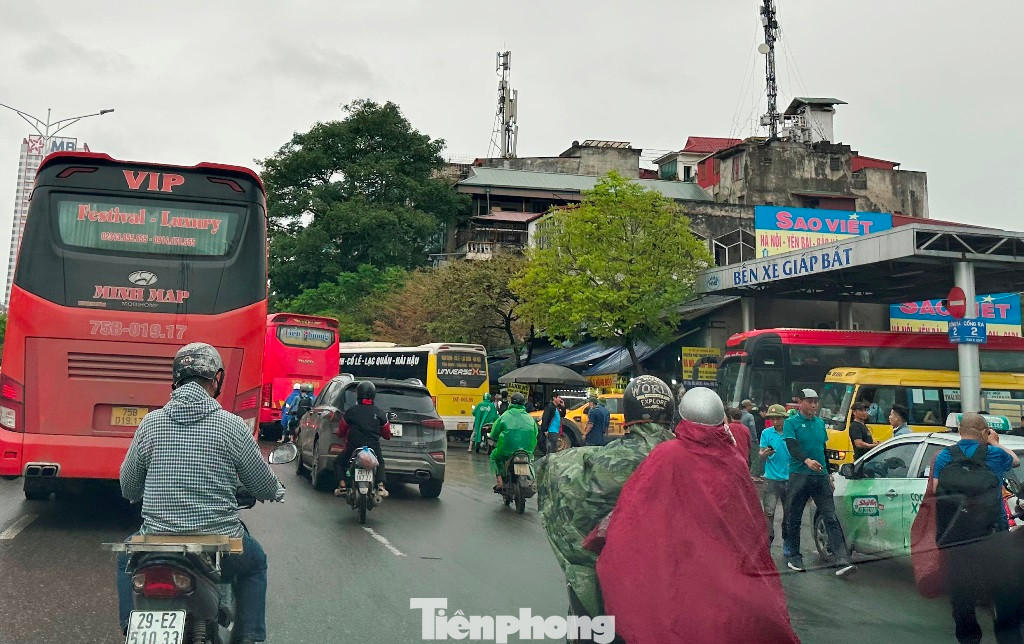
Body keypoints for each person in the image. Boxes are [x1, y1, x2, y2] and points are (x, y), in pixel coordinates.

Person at [595, 388, 799, 643]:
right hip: (727, 566)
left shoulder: (666, 455)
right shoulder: (734, 459)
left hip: (683, 561)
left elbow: (634, 514)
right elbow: (750, 523)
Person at [117, 343, 285, 644]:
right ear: (216, 379)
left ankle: (132, 629)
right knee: (255, 563)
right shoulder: (231, 426)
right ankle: (248, 637)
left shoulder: (150, 424)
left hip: (157, 542)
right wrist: (276, 490)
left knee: (124, 559)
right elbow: (262, 485)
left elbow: (128, 487)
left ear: (176, 378)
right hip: (220, 544)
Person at [536, 375, 677, 619]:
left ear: (627, 415)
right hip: (674, 578)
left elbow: (565, 484)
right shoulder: (693, 456)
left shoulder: (602, 461)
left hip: (615, 577)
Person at [932, 413, 1023, 644]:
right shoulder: (994, 454)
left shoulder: (944, 456)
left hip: (958, 537)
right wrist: (994, 442)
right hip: (994, 534)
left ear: (960, 430)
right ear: (984, 432)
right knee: (1004, 593)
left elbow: (934, 488)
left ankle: (969, 639)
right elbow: (1015, 461)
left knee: (962, 597)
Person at [782, 388, 855, 576]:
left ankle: (842, 559)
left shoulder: (820, 423)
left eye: (815, 401)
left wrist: (829, 473)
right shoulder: (791, 423)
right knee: (794, 517)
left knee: (830, 516)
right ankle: (795, 557)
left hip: (820, 476)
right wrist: (806, 460)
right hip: (799, 475)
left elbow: (823, 448)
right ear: (800, 402)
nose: (813, 405)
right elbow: (792, 446)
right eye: (809, 401)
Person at [333, 381, 391, 497]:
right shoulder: (379, 413)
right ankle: (380, 486)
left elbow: (342, 430)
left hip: (353, 447)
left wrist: (339, 434)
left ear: (358, 394)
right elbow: (386, 434)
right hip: (373, 447)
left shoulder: (351, 411)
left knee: (338, 462)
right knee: (380, 462)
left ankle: (342, 485)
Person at [488, 392, 538, 491]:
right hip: (527, 449)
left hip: (506, 449)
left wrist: (493, 436)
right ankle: (532, 480)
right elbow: (535, 433)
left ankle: (500, 482)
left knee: (494, 456)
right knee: (530, 461)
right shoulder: (529, 418)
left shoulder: (504, 416)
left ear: (511, 402)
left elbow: (494, 433)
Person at [759, 404, 791, 545]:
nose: (775, 421)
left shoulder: (791, 433)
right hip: (771, 478)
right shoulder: (766, 433)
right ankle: (768, 538)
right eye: (773, 419)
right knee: (769, 512)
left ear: (784, 418)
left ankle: (787, 537)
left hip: (790, 478)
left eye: (778, 418)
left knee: (789, 512)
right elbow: (761, 452)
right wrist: (763, 454)